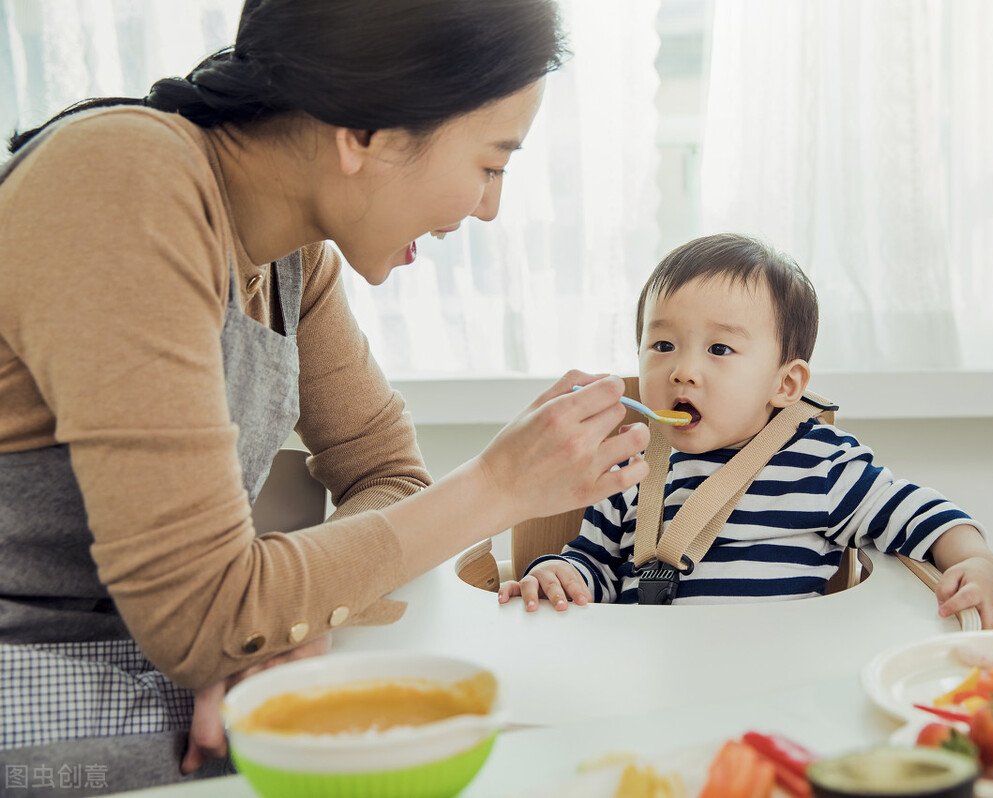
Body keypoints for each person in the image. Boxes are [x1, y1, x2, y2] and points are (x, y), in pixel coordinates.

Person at [0, 0, 651, 790]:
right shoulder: (121, 181)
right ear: (364, 133)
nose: (489, 207)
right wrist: (500, 486)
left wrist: (282, 619)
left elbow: (389, 475)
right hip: (35, 696)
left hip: (162, 683)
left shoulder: (292, 261)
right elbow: (210, 617)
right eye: (491, 163)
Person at [498, 234, 993, 625]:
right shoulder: (628, 468)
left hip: (776, 688)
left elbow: (919, 513)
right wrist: (562, 576)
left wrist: (975, 561)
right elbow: (596, 567)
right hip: (650, 686)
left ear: (785, 383)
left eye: (719, 350)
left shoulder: (821, 464)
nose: (683, 371)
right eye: (663, 346)